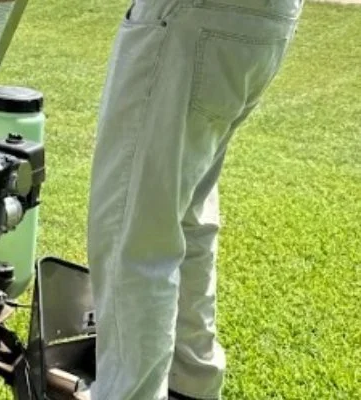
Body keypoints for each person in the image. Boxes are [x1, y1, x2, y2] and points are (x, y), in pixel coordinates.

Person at [84, 0, 303, 399]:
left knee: (131, 235)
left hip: (190, 16)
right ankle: (191, 385)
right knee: (186, 215)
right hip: (267, 20)